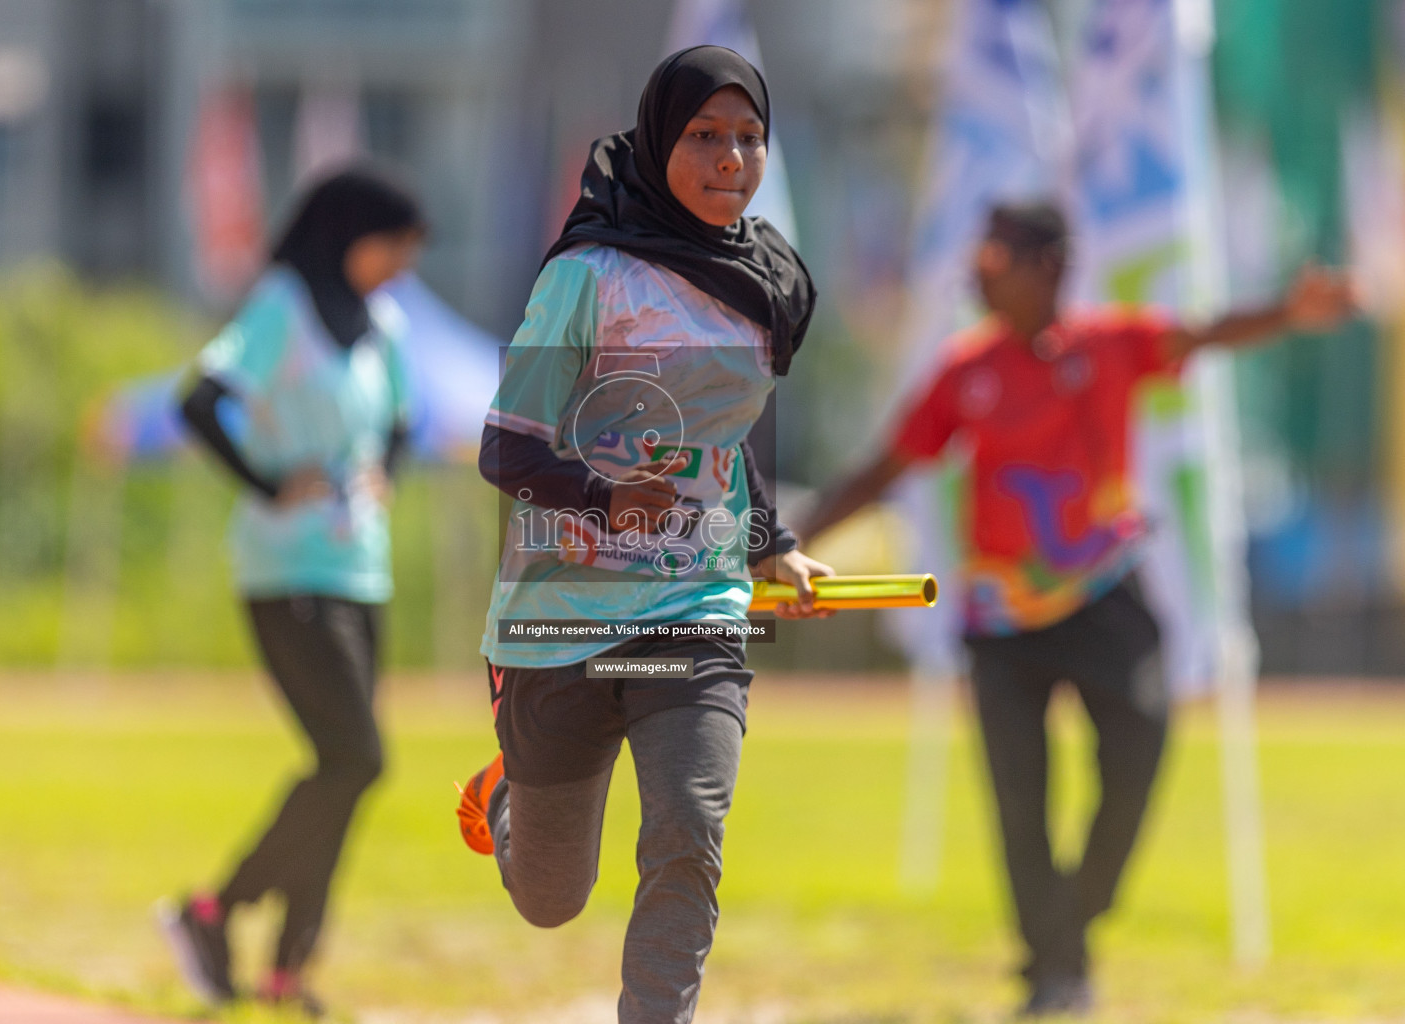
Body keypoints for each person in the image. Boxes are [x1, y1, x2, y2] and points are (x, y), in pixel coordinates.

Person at [796, 202, 1357, 1016]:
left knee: (1140, 745)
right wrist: (785, 538)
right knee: (1020, 804)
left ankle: (1072, 922)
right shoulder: (966, 369)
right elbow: (885, 467)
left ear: (1048, 267)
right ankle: (1056, 973)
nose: (979, 275)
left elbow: (1200, 335)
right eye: (978, 259)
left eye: (997, 260)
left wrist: (1286, 312)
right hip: (1000, 621)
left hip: (1103, 599)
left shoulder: (1109, 345)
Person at [453, 45, 833, 1024]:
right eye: (705, 136)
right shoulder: (589, 276)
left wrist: (767, 541)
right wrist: (605, 501)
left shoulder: (767, 282)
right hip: (559, 626)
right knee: (550, 897)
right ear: (662, 137)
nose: (731, 159)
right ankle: (511, 805)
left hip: (694, 612)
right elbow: (507, 446)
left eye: (749, 138)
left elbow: (726, 432)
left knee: (688, 829)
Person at [160, 165, 426, 1018]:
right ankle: (214, 911)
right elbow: (199, 402)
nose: (402, 268)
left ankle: (286, 969)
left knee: (342, 771)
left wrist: (385, 470)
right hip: (286, 573)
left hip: (361, 572)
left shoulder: (383, 322)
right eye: (395, 248)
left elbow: (401, 418)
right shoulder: (281, 306)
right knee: (358, 757)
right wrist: (270, 484)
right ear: (351, 236)